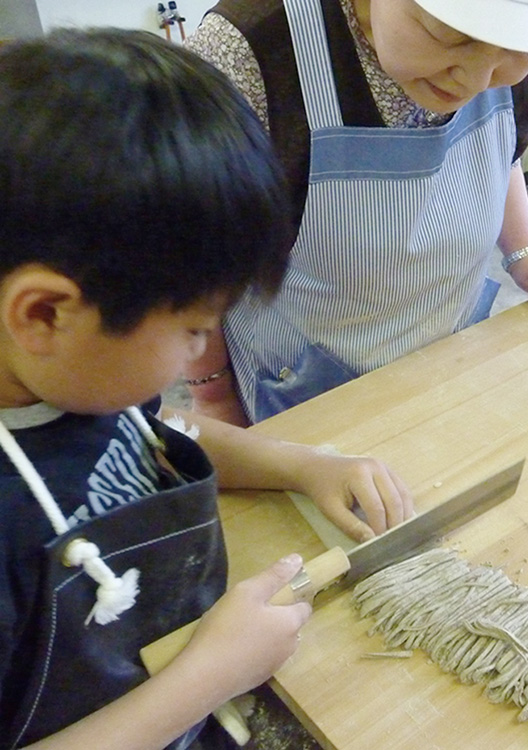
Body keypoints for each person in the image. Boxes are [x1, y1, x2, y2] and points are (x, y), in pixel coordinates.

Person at [0, 29, 413, 749]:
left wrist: (300, 464)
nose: (200, 354)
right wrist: (207, 676)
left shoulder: (70, 373)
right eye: (193, 330)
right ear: (44, 313)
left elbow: (163, 434)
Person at [183, 0, 528, 426]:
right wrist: (213, 394)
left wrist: (525, 252)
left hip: (451, 350)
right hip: (313, 385)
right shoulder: (251, 49)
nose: (476, 78)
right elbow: (191, 257)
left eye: (511, 53)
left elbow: (498, 144)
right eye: (451, 36)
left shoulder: (522, 36)